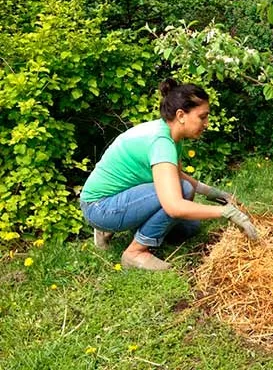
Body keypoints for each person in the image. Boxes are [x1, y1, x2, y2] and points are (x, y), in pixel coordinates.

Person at [79, 78, 257, 271]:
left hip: (120, 199)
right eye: (202, 117)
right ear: (181, 115)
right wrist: (226, 212)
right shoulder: (161, 142)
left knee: (190, 228)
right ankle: (134, 252)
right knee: (180, 194)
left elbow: (176, 175)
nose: (206, 123)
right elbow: (173, 206)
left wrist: (215, 193)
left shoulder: (171, 134)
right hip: (100, 206)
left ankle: (121, 231)